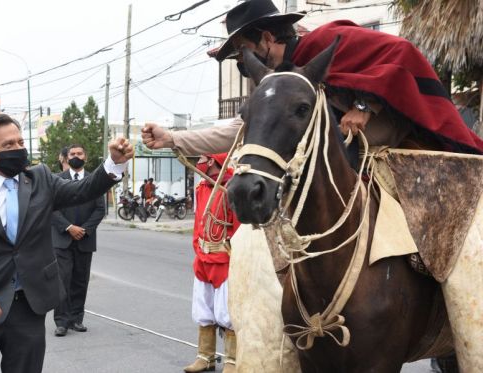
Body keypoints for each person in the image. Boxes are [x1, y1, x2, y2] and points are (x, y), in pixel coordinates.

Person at [142, 0, 483, 157]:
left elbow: (401, 54)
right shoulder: (281, 82)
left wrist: (364, 105)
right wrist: (172, 137)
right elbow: (239, 132)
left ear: (266, 38)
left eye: (244, 50)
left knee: (333, 153)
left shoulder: (324, 42)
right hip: (346, 132)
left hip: (391, 123)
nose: (243, 63)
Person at [0, 113, 133, 373]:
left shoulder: (40, 179)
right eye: (8, 146)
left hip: (28, 304)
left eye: (20, 142)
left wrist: (114, 164)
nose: (18, 149)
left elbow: (83, 190)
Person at [185, 153, 240, 373]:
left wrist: (233, 255)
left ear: (211, 161)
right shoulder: (201, 188)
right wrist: (198, 248)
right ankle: (205, 357)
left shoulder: (232, 187)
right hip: (203, 259)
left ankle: (232, 361)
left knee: (227, 313)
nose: (198, 162)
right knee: (203, 309)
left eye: (202, 158)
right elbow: (199, 222)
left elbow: (238, 227)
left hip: (225, 261)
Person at [52, 144, 105, 337]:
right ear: (66, 157)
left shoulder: (94, 181)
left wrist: (85, 229)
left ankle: (76, 319)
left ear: (86, 157)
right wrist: (68, 227)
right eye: (72, 154)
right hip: (61, 238)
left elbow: (100, 209)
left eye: (79, 153)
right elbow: (50, 208)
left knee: (80, 281)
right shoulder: (57, 180)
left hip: (85, 238)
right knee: (62, 281)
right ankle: (61, 322)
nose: (76, 156)